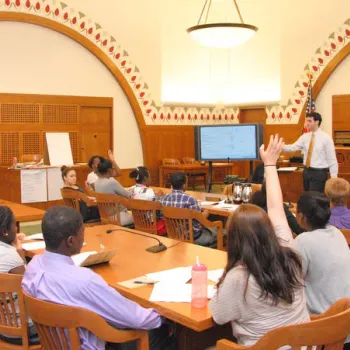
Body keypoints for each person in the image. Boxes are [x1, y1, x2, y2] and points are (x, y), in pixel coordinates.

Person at [22, 206, 174, 350]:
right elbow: (137, 319)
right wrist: (164, 318)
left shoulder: (33, 267)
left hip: (54, 342)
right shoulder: (85, 281)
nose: (83, 237)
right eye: (82, 233)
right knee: (165, 332)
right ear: (70, 241)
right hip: (87, 345)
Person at [209, 135, 309, 347]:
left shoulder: (239, 277)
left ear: (234, 241)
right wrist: (270, 165)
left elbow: (218, 316)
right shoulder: (289, 251)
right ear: (268, 230)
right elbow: (275, 208)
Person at [295, 191, 350, 315]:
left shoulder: (303, 241)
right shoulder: (337, 232)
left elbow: (292, 280)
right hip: (345, 313)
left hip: (321, 317)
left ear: (301, 216)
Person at [0, 206, 37, 344]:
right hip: (20, 327)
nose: (16, 229)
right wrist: (21, 255)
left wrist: (12, 239)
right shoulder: (11, 256)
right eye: (14, 226)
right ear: (4, 231)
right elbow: (31, 289)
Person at [282, 112, 338, 192]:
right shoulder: (304, 137)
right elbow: (292, 147)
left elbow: (332, 159)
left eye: (309, 121)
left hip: (319, 173)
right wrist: (280, 146)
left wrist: (334, 178)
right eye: (306, 121)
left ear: (317, 122)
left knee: (315, 198)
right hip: (306, 171)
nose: (306, 123)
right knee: (307, 196)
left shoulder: (326, 138)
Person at [159, 172, 217, 247]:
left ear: (172, 185)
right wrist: (205, 214)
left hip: (173, 235)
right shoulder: (190, 200)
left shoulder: (164, 198)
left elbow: (161, 216)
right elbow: (198, 224)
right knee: (216, 230)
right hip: (192, 237)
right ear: (184, 185)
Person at [94, 159, 133, 226]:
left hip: (106, 217)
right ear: (109, 170)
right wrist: (132, 190)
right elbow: (128, 195)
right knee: (142, 218)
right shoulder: (111, 181)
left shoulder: (96, 183)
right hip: (118, 217)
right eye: (113, 168)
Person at [129, 167, 166, 235]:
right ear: (146, 178)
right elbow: (159, 206)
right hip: (151, 224)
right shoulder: (149, 191)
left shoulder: (131, 189)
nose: (150, 179)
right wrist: (160, 197)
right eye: (150, 176)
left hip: (137, 223)